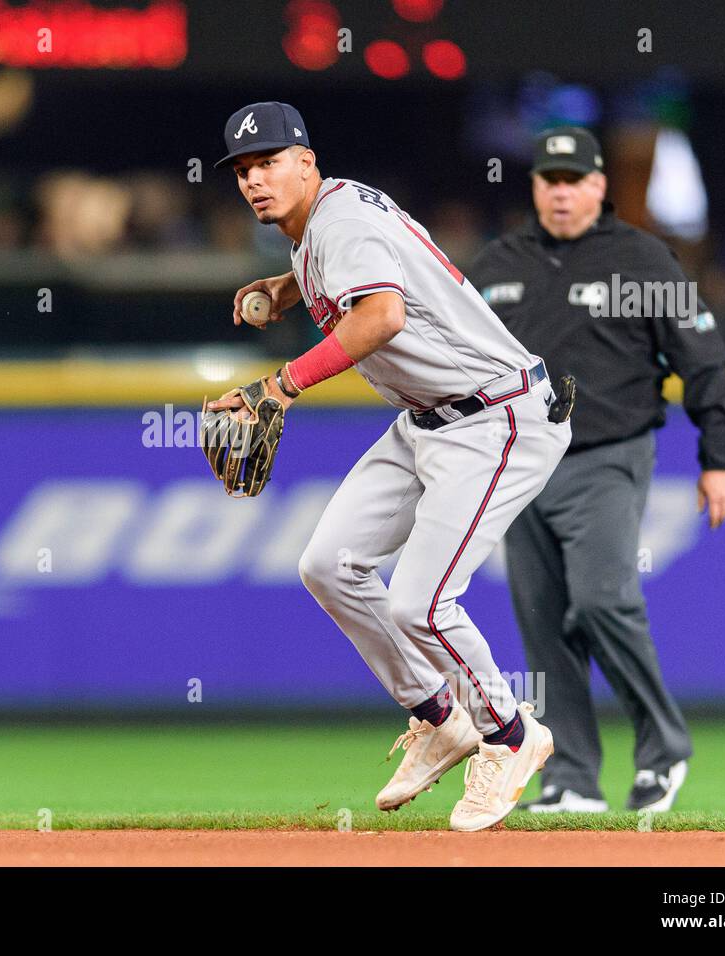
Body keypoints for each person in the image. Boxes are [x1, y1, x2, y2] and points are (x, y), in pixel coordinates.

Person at [205, 101, 573, 830]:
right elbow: (378, 276)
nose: (255, 180)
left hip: (496, 417)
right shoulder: (320, 224)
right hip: (426, 419)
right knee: (328, 563)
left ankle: (511, 734)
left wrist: (279, 386)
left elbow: (382, 317)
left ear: (306, 162)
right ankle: (440, 717)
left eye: (270, 162)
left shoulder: (336, 222)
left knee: (422, 602)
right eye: (244, 170)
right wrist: (288, 288)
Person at [469, 127, 725, 814]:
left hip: (607, 453)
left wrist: (719, 458)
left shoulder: (642, 261)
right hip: (519, 468)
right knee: (545, 624)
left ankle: (664, 748)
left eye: (575, 179)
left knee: (599, 600)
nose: (562, 192)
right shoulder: (497, 264)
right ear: (534, 187)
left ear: (599, 186)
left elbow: (703, 360)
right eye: (549, 180)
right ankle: (570, 778)